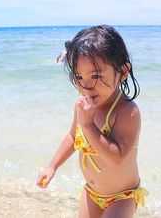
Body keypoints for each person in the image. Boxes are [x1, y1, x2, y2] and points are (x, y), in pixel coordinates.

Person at [37, 25, 147, 217]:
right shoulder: (83, 107)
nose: (86, 85)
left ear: (123, 72)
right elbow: (73, 137)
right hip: (92, 193)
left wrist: (88, 125)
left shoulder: (127, 112)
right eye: (79, 76)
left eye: (95, 76)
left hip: (122, 197)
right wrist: (52, 166)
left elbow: (117, 158)